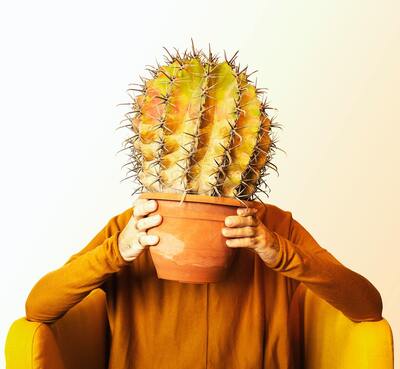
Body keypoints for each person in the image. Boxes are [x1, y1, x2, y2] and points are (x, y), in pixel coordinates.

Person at [25, 197, 383, 369]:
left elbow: (367, 306)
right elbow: (39, 307)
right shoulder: (135, 226)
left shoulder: (273, 226)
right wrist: (116, 251)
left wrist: (278, 250)